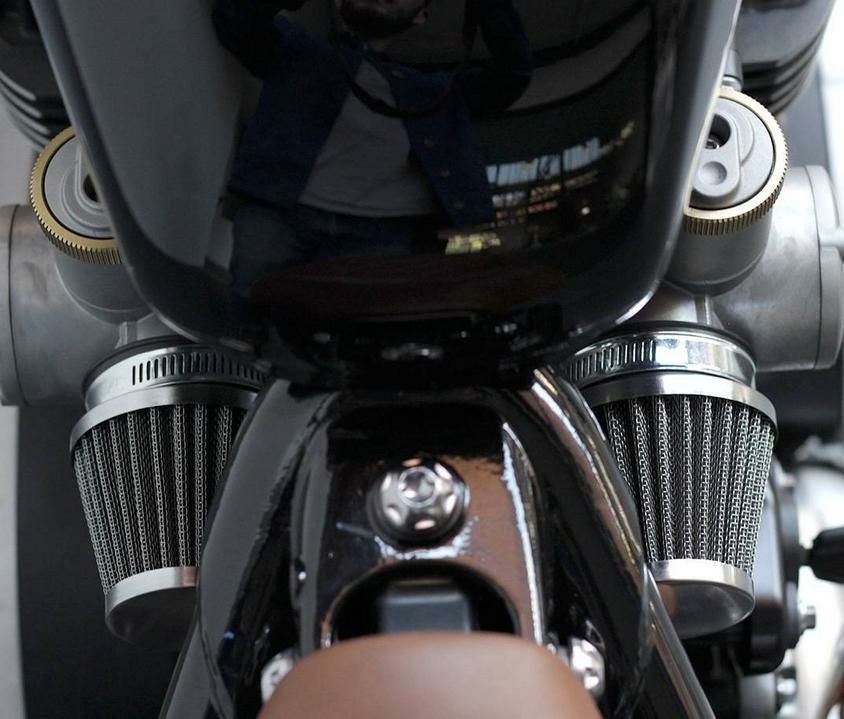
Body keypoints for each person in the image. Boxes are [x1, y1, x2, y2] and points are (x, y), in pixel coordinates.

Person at [213, 0, 532, 299]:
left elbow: (511, 75)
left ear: (422, 14)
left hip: (388, 236)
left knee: (372, 330)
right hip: (279, 217)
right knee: (251, 320)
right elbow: (234, 17)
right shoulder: (297, 50)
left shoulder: (435, 92)